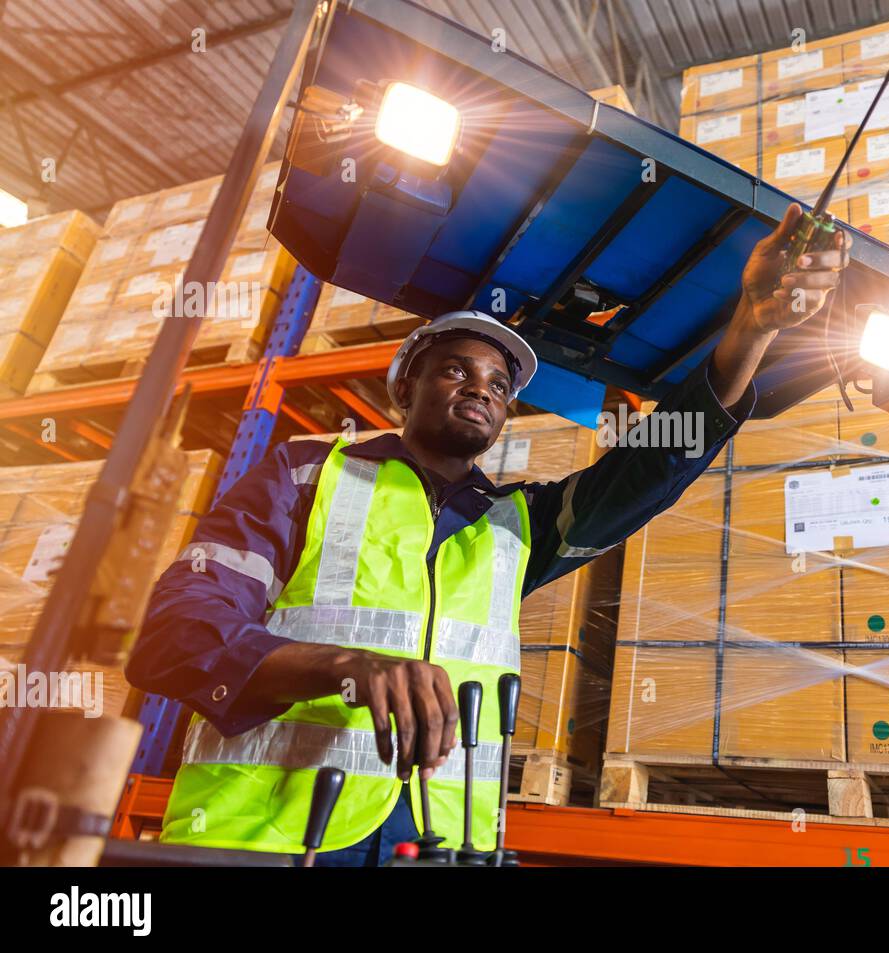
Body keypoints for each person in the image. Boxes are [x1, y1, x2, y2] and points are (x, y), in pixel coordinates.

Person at [126, 203, 850, 865]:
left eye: (500, 385)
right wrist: (344, 666)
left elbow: (645, 470)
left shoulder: (516, 525)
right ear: (404, 388)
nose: (482, 389)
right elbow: (175, 637)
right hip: (269, 842)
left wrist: (754, 324)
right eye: (454, 370)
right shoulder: (306, 474)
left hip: (442, 842)